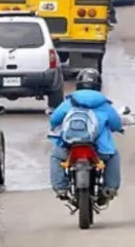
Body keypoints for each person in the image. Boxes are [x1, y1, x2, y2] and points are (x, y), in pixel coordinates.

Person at [49, 68, 123, 203]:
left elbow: (54, 120)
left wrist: (54, 126)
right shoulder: (104, 103)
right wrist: (119, 128)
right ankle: (110, 188)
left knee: (55, 156)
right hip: (99, 148)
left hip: (69, 145)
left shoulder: (70, 101)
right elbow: (116, 124)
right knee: (113, 156)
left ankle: (60, 188)